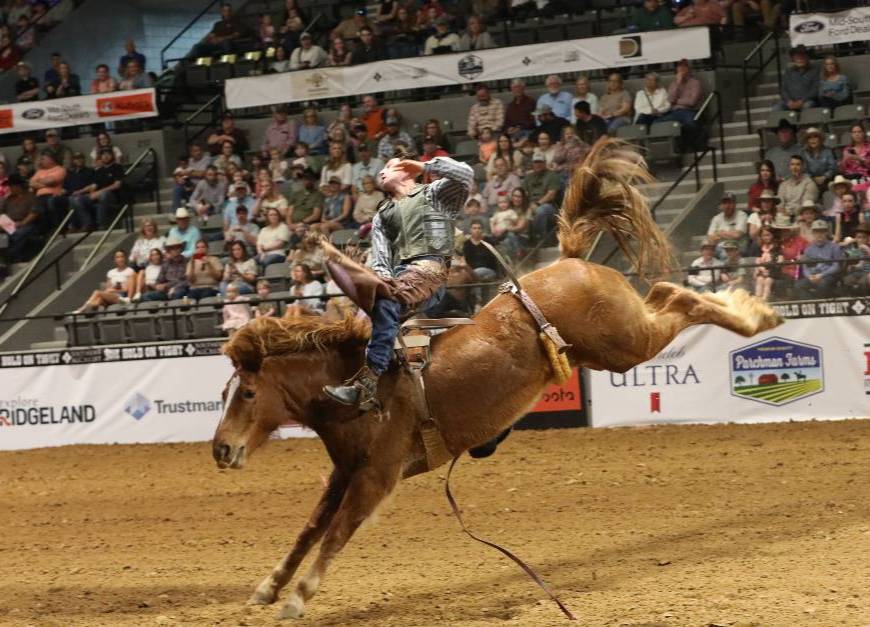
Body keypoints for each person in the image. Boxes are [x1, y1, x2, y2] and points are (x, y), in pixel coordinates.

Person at [323, 151, 473, 409]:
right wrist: (379, 283)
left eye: (389, 167)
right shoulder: (383, 214)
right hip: (403, 277)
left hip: (430, 271)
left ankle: (368, 385)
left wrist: (425, 165)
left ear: (406, 170)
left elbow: (466, 175)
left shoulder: (434, 193)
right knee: (379, 309)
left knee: (387, 300)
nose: (381, 172)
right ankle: (380, 388)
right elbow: (381, 260)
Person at [522, 151, 561, 246]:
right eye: (536, 162)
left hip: (550, 206)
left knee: (541, 211)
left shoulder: (552, 175)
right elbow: (524, 194)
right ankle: (525, 242)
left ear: (545, 163)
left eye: (540, 162)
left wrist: (537, 204)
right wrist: (529, 206)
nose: (538, 164)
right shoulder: (528, 177)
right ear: (532, 163)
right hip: (531, 205)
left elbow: (551, 194)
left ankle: (541, 239)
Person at [795, 220, 843, 299]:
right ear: (813, 233)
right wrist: (809, 276)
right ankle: (811, 303)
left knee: (823, 284)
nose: (819, 234)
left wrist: (821, 275)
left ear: (826, 233)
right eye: (817, 232)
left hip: (828, 275)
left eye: (822, 232)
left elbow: (836, 266)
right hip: (813, 276)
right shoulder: (808, 249)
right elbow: (805, 267)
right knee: (798, 285)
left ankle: (819, 303)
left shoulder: (834, 247)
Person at [0, 174, 38, 262]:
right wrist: (4, 224)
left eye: (11, 186)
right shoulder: (7, 200)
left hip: (26, 223)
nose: (9, 188)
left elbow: (34, 213)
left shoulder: (31, 197)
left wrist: (23, 223)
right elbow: (1, 213)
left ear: (18, 186)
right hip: (8, 223)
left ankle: (14, 258)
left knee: (18, 234)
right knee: (3, 237)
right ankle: (3, 261)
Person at [29, 151, 66, 233]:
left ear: (51, 160)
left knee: (47, 203)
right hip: (39, 197)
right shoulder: (40, 171)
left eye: (43, 159)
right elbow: (31, 183)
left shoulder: (60, 169)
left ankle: (54, 228)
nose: (41, 161)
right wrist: (44, 184)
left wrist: (38, 181)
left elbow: (50, 181)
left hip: (53, 196)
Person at [62, 151, 97, 231]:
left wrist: (80, 192)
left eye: (81, 158)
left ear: (84, 159)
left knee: (75, 199)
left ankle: (87, 223)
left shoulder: (90, 171)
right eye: (76, 159)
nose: (79, 160)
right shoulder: (70, 173)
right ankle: (72, 225)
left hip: (86, 195)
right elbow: (64, 188)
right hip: (71, 195)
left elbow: (93, 185)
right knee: (69, 199)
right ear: (73, 161)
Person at [777, 45, 818, 112]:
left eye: (803, 57)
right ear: (793, 59)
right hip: (790, 101)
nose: (800, 59)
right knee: (777, 108)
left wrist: (801, 101)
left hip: (807, 101)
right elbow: (783, 90)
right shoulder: (788, 71)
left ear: (807, 58)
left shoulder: (815, 70)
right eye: (797, 57)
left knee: (807, 106)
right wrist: (788, 101)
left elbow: (815, 90)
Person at [752, 227, 780, 299]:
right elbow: (757, 261)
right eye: (764, 235)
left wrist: (769, 270)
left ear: (772, 235)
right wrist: (760, 269)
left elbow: (779, 262)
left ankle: (764, 300)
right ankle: (757, 299)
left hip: (773, 271)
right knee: (759, 280)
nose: (766, 237)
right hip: (762, 269)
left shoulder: (777, 247)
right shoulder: (760, 247)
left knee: (767, 281)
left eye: (768, 235)